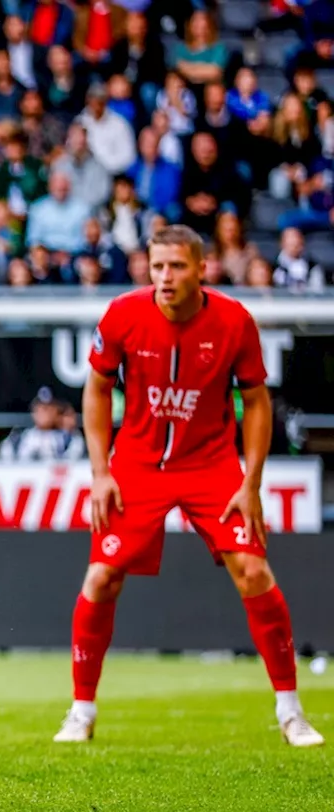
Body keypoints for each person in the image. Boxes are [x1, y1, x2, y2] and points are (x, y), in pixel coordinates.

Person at [54, 225, 324, 748]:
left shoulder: (234, 322)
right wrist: (101, 472)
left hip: (212, 464)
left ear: (202, 268)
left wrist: (251, 482)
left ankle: (291, 711)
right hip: (137, 464)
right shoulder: (121, 316)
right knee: (101, 578)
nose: (165, 278)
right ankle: (81, 712)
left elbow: (257, 401)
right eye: (157, 267)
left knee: (253, 570)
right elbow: (96, 388)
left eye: (177, 266)